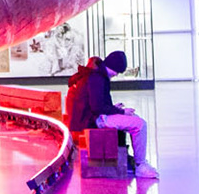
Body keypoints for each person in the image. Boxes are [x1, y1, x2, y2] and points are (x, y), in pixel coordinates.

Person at [66, 50, 157, 180]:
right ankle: (140, 165)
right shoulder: (97, 78)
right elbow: (97, 107)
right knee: (139, 124)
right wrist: (121, 112)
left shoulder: (96, 76)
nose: (116, 75)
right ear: (113, 67)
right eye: (117, 72)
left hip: (94, 117)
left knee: (135, 119)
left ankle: (139, 162)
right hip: (94, 120)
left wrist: (114, 108)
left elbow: (98, 103)